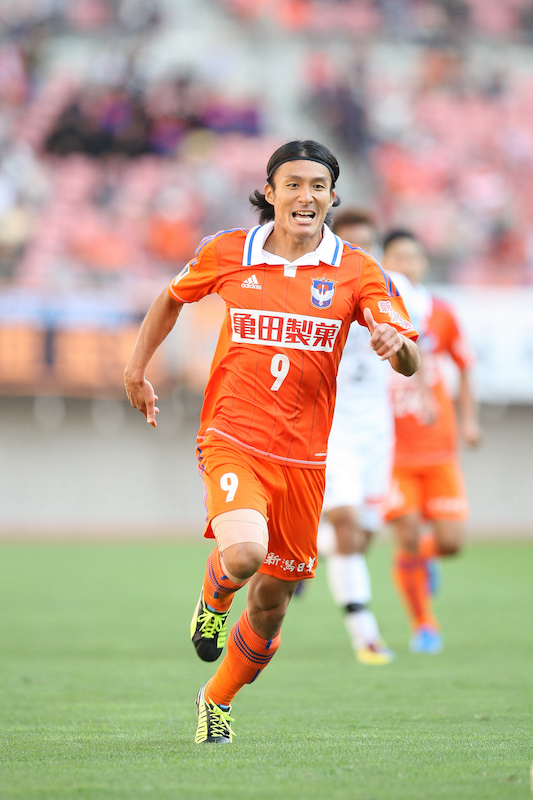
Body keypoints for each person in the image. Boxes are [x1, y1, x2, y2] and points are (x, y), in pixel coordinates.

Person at [124, 140, 420, 744]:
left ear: (332, 197)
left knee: (272, 605)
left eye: (318, 186)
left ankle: (215, 699)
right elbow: (170, 298)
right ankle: (213, 601)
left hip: (305, 459)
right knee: (244, 554)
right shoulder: (229, 250)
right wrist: (136, 369)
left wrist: (397, 347)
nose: (305, 196)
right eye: (293, 184)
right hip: (233, 435)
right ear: (270, 191)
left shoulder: (358, 269)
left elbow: (409, 355)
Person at [381, 229, 480, 654]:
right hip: (393, 452)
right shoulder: (374, 311)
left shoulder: (442, 313)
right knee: (405, 533)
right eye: (397, 257)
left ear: (423, 263)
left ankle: (424, 557)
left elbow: (466, 366)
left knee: (451, 543)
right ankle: (424, 624)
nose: (406, 265)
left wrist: (470, 421)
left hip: (439, 448)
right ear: (384, 262)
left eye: (413, 257)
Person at [319, 209, 397, 665]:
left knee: (365, 534)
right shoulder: (319, 290)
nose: (360, 252)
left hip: (378, 431)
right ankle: (364, 633)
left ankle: (309, 550)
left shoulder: (392, 291)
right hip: (334, 427)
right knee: (347, 522)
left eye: (368, 243)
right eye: (352, 244)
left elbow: (416, 347)